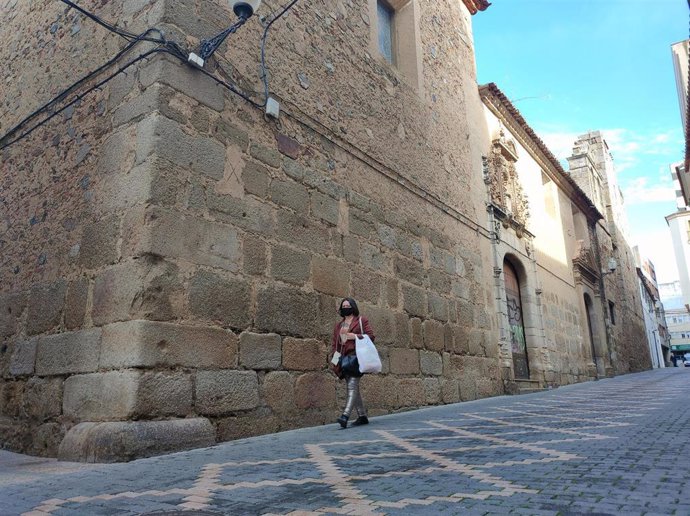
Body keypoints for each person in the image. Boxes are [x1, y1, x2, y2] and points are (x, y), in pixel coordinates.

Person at [331, 297, 375, 429]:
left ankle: (345, 416)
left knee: (351, 386)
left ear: (353, 307)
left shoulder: (361, 321)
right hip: (344, 359)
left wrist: (354, 336)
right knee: (354, 388)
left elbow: (371, 336)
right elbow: (336, 345)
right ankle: (362, 416)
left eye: (347, 305)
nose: (345, 308)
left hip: (357, 358)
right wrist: (334, 361)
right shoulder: (339, 326)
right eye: (343, 306)